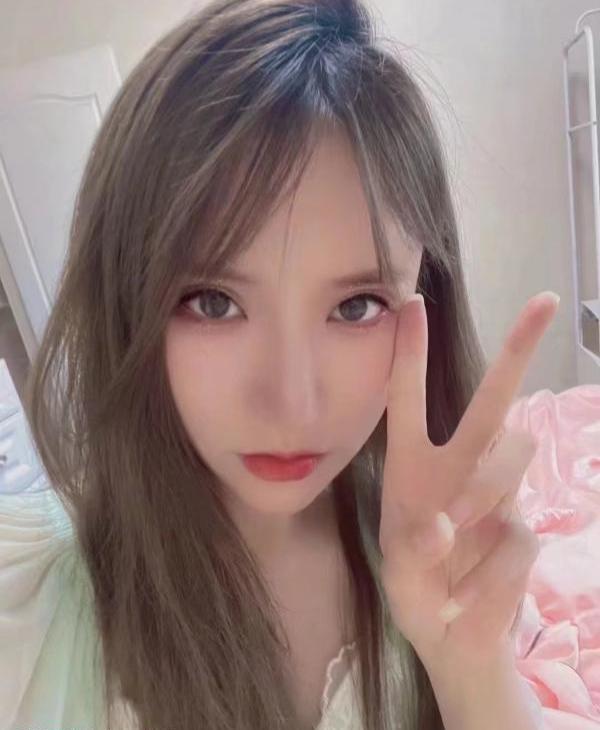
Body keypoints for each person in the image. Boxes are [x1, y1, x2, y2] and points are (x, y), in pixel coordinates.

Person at [0, 1, 551, 729]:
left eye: (356, 306)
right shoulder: (28, 606)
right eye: (214, 303)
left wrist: (468, 665)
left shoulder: (445, 560)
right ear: (126, 301)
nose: (292, 403)